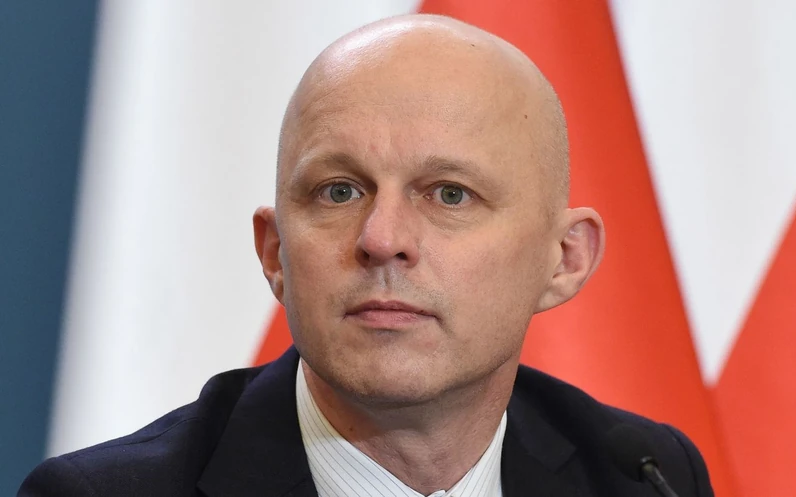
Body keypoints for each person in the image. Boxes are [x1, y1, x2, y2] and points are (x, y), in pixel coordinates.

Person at [19, 14, 714, 497]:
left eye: (449, 194)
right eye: (339, 190)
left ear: (564, 259)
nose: (382, 238)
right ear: (274, 252)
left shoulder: (645, 478)